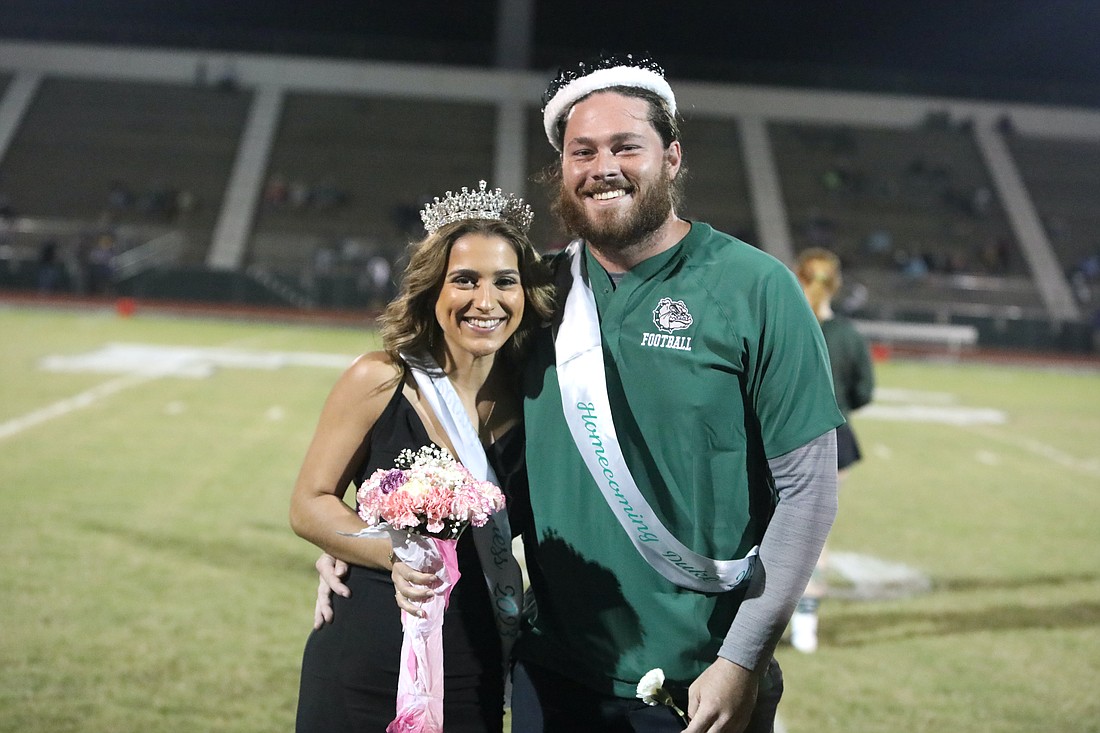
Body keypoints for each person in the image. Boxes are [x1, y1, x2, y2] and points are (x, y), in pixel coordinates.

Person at [324, 55, 844, 733]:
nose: (604, 167)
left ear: (672, 157)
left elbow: (809, 492)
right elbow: (450, 424)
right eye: (583, 151)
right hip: (550, 675)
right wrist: (367, 539)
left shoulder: (759, 287)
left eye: (627, 146)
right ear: (562, 170)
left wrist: (741, 659)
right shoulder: (534, 296)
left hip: (701, 680)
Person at [289, 181, 554, 733]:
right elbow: (309, 504)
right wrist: (391, 551)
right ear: (433, 289)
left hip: (475, 662)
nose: (486, 301)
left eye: (505, 281)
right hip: (365, 649)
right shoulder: (379, 379)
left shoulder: (540, 404)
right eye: (465, 280)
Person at [789, 248, 875, 653]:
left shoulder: (784, 322)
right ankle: (805, 624)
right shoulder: (848, 334)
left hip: (778, 436)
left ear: (798, 277)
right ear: (835, 285)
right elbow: (864, 391)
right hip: (833, 438)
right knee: (814, 536)